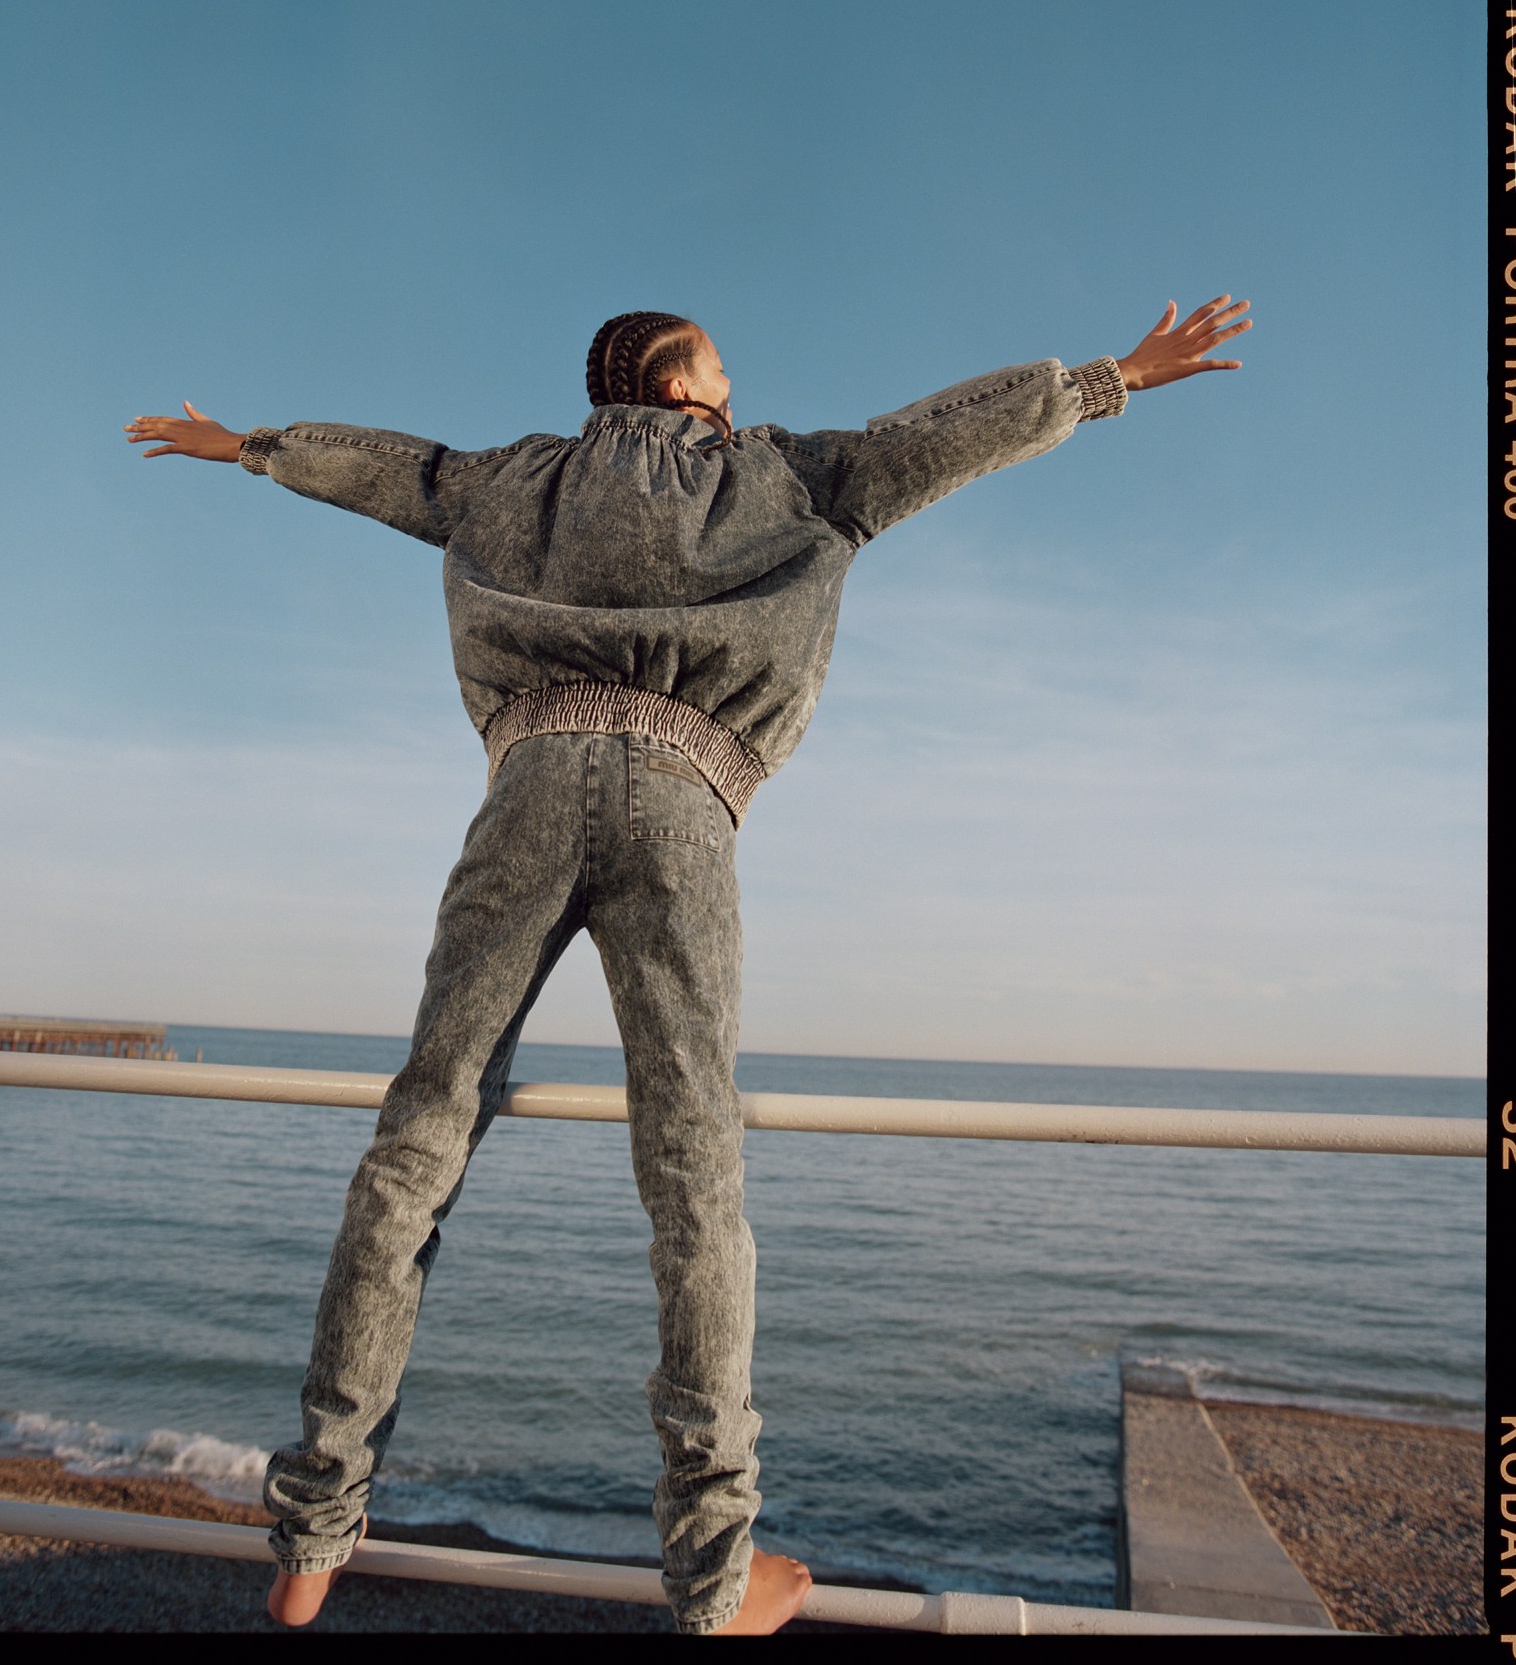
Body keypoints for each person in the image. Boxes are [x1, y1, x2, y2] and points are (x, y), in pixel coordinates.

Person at [125, 294, 1250, 1635]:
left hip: (528, 784)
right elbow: (946, 438)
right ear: (683, 385)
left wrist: (251, 444)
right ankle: (713, 1575)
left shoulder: (512, 480)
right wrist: (1111, 376)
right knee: (692, 1175)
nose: (734, 373)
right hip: (684, 790)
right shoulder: (789, 472)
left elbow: (394, 470)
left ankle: (313, 1531)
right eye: (717, 357)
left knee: (417, 1144)